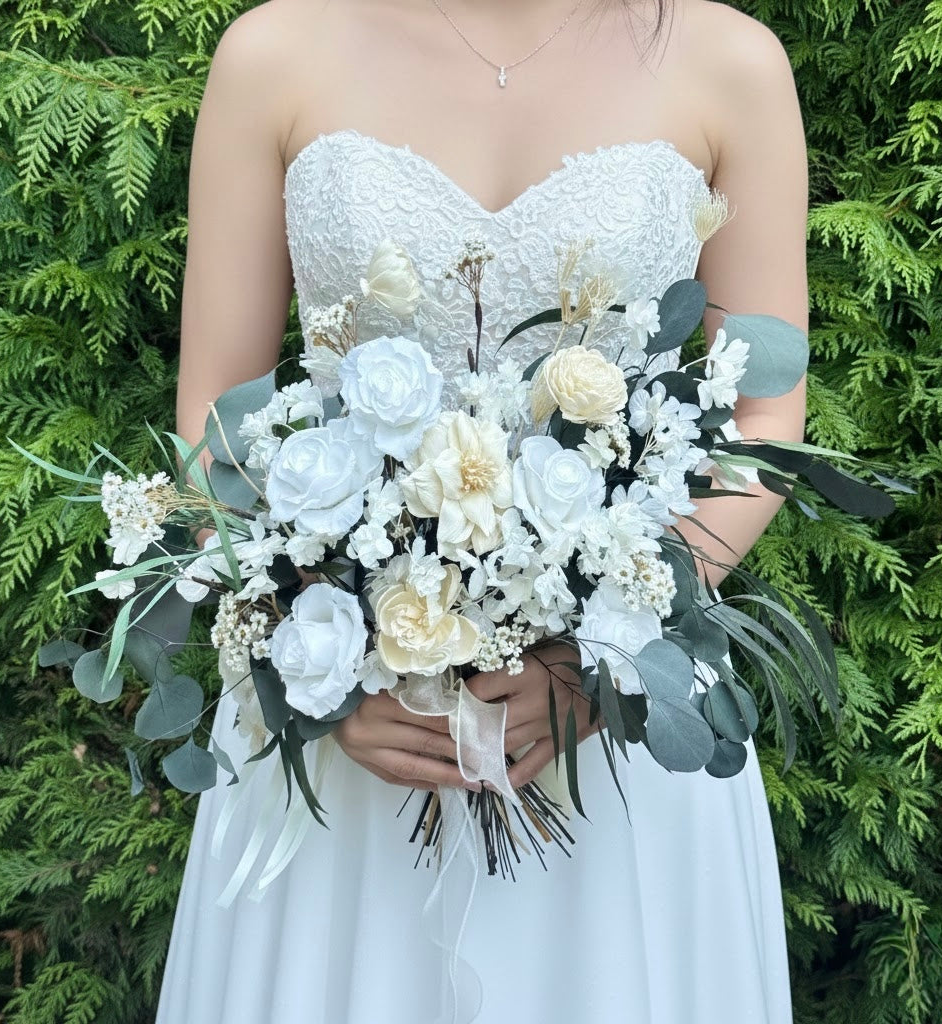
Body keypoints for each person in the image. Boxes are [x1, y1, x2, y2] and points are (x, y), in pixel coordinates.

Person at [158, 0, 808, 1020]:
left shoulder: (729, 63)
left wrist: (611, 648)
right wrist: (311, 654)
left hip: (614, 736)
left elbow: (764, 412)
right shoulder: (274, 53)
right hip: (348, 739)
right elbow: (213, 420)